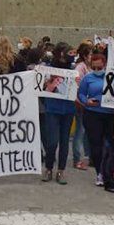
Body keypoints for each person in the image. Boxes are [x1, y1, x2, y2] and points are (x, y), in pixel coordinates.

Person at [78, 53, 114, 189]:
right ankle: (100, 173)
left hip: (111, 115)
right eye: (94, 68)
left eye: (99, 67)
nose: (97, 70)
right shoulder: (88, 78)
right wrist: (86, 101)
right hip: (93, 114)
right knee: (96, 146)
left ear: (105, 65)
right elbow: (81, 93)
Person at [42, 44, 76, 185]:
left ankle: (61, 170)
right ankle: (49, 168)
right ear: (61, 54)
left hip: (68, 109)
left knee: (64, 142)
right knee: (52, 142)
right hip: (52, 109)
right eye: (69, 52)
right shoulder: (48, 68)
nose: (72, 55)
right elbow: (41, 87)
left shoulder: (73, 69)